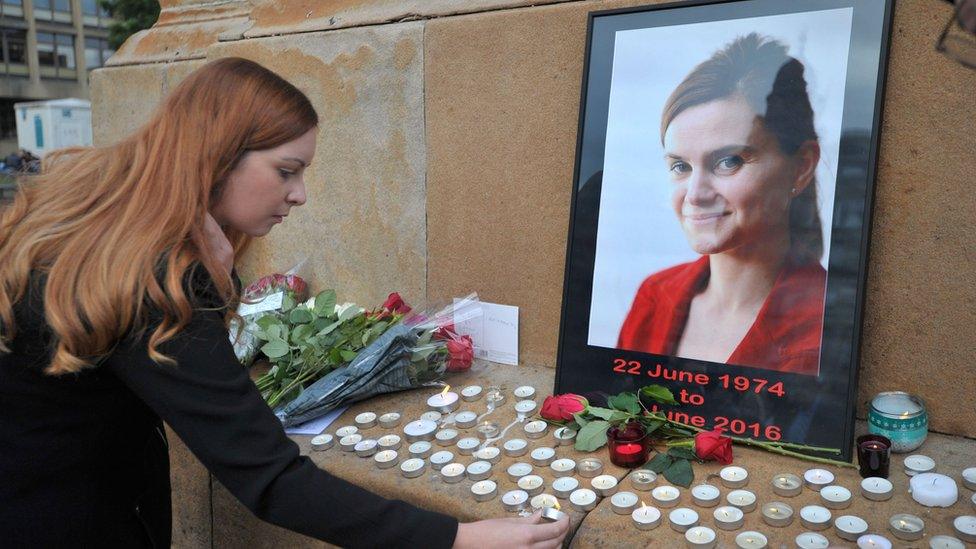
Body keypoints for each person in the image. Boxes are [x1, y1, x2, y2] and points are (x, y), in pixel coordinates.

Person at [0, 58, 569, 548]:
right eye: (286, 171)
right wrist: (458, 537)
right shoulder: (156, 272)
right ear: (218, 156)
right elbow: (268, 478)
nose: (299, 195)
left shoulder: (97, 220)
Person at [617, 33, 826, 376]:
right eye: (680, 166)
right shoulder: (653, 296)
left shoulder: (822, 335)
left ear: (801, 167)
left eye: (728, 161)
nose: (695, 194)